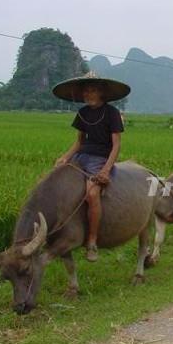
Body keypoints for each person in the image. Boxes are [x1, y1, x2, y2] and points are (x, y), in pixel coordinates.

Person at [53, 72, 129, 262]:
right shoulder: (83, 113)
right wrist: (65, 157)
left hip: (100, 159)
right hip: (82, 156)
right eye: (86, 91)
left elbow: (116, 145)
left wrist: (105, 170)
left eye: (92, 90)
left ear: (101, 93)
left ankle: (92, 241)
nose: (88, 94)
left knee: (92, 193)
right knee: (56, 184)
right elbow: (79, 142)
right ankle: (60, 233)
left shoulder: (111, 113)